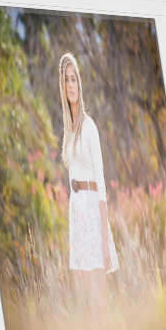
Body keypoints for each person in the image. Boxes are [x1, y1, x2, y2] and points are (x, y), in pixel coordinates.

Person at [58, 52, 119, 315]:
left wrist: (105, 241)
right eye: (66, 80)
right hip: (79, 220)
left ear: (79, 84)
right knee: (89, 305)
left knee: (99, 300)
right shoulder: (67, 131)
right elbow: (73, 192)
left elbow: (102, 187)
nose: (71, 85)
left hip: (95, 217)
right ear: (62, 86)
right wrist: (75, 244)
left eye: (74, 79)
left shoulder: (90, 127)